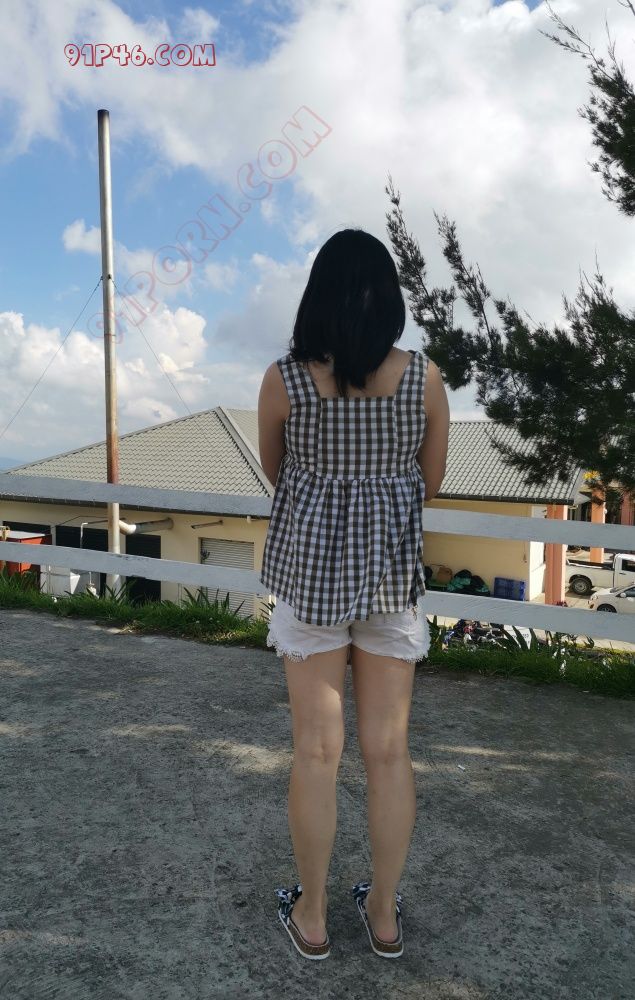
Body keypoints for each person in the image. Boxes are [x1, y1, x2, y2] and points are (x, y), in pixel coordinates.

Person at [257, 228, 450, 960]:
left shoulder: (284, 379)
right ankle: (383, 914)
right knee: (389, 752)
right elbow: (430, 482)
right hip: (390, 579)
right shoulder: (424, 379)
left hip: (310, 577)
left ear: (317, 296)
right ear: (388, 298)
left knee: (316, 751)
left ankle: (312, 918)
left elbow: (276, 471)